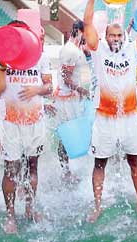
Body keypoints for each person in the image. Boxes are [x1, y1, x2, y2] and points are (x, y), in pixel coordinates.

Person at [84, 0, 137, 223]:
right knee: (99, 163)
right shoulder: (99, 50)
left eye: (118, 36)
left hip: (129, 117)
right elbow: (87, 24)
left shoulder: (132, 50)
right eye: (112, 36)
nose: (115, 39)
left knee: (135, 161)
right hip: (104, 118)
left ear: (123, 37)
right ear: (106, 37)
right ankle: (98, 206)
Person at [0, 20, 53, 234]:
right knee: (11, 169)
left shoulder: (40, 56)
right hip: (11, 123)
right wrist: (3, 65)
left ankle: (30, 207)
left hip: (35, 122)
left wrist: (37, 90)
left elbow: (49, 87)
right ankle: (10, 215)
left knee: (33, 166)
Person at [53, 20, 89, 183]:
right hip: (66, 100)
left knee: (72, 133)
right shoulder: (70, 51)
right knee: (66, 135)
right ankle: (66, 172)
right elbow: (66, 78)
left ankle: (68, 169)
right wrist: (82, 90)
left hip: (70, 98)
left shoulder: (74, 48)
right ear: (81, 31)